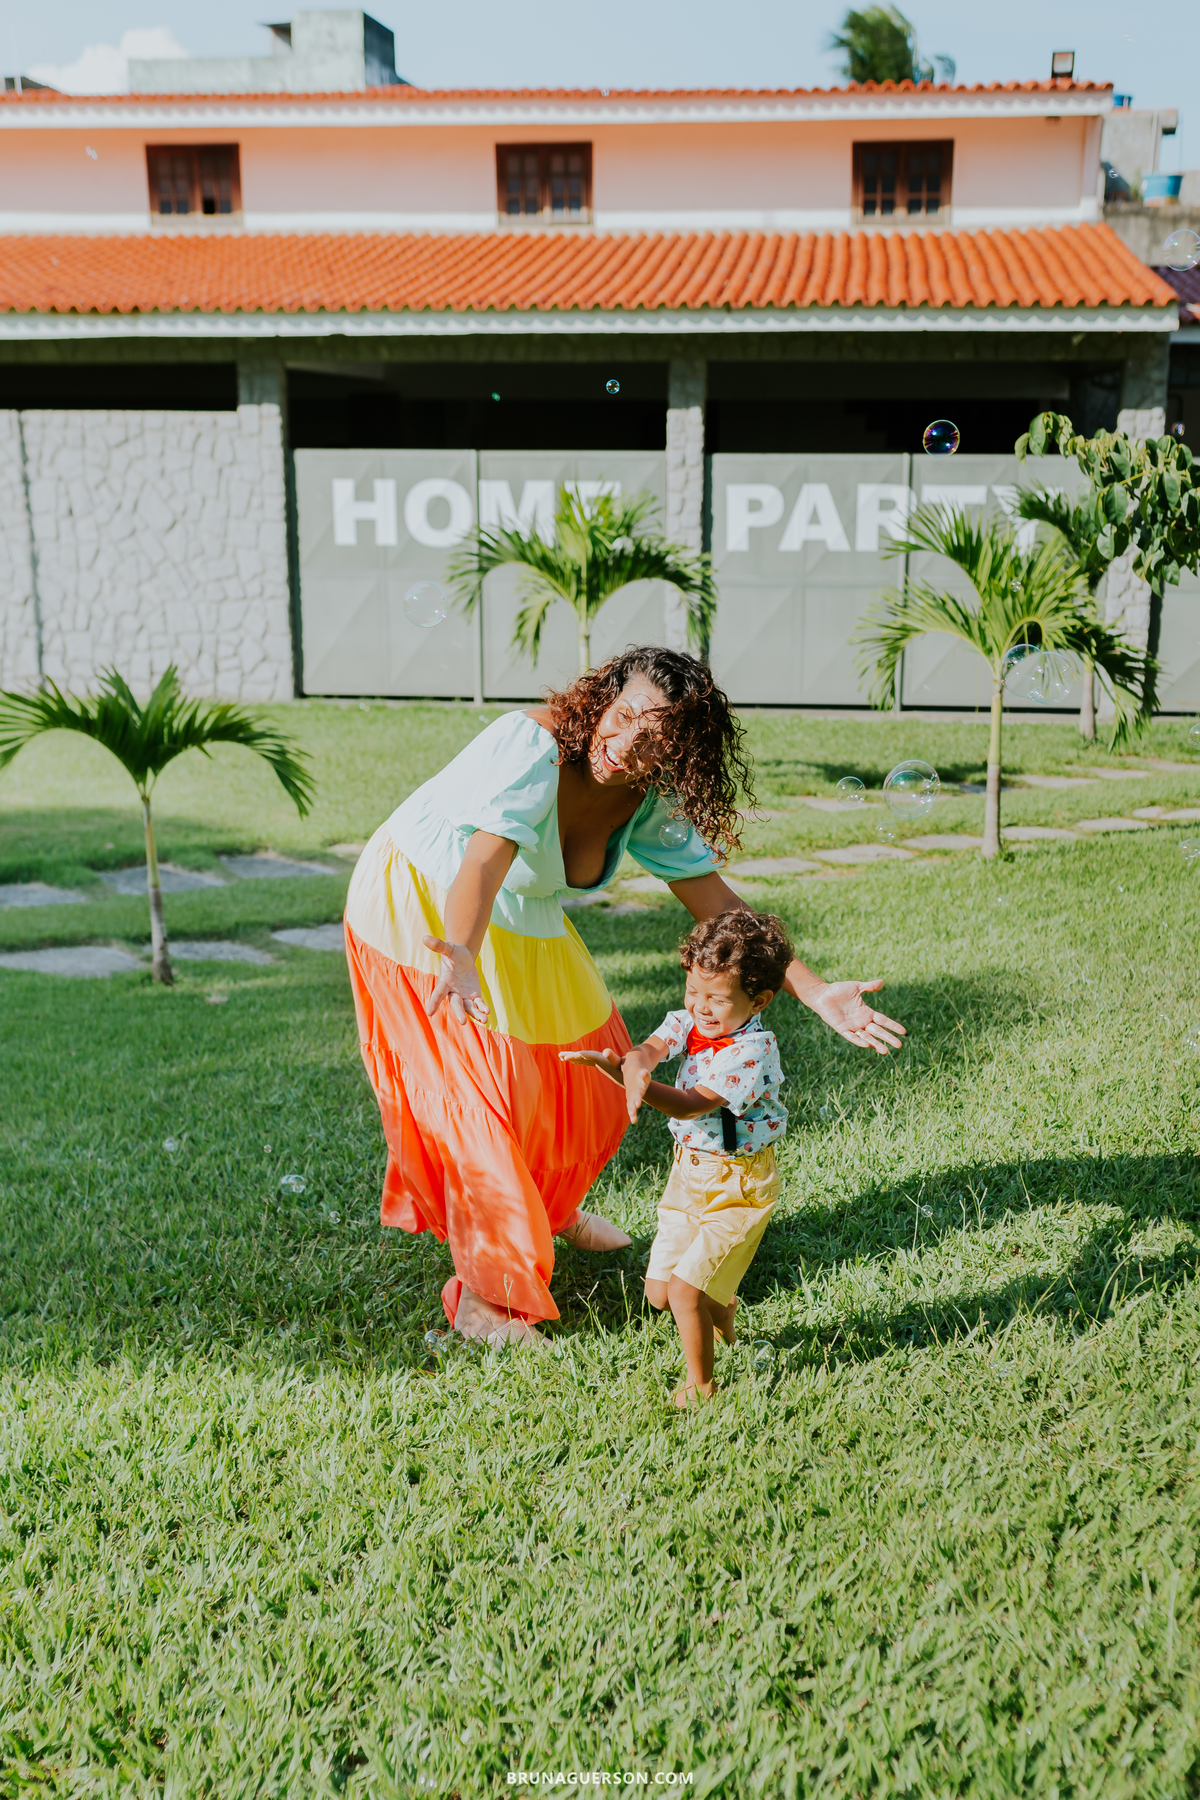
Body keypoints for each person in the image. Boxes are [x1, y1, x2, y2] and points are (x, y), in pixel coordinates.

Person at [344, 645, 904, 1348]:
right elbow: (483, 861)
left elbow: (717, 906)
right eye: (624, 715)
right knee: (475, 1100)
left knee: (596, 1075)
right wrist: (460, 955)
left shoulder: (649, 793)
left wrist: (816, 991)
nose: (628, 742)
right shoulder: (534, 746)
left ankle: (547, 1208)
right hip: (429, 906)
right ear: (603, 699)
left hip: (520, 912)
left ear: (681, 751)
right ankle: (486, 1300)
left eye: (656, 736)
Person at [563, 909, 792, 1405]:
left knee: (685, 1293)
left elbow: (690, 1104)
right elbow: (650, 1048)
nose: (701, 1009)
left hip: (739, 1184)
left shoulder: (751, 1051)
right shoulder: (692, 1020)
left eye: (716, 1000)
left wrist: (634, 1085)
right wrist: (627, 1064)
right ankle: (721, 1300)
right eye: (693, 993)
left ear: (759, 1000)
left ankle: (701, 1385)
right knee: (660, 1294)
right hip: (688, 1173)